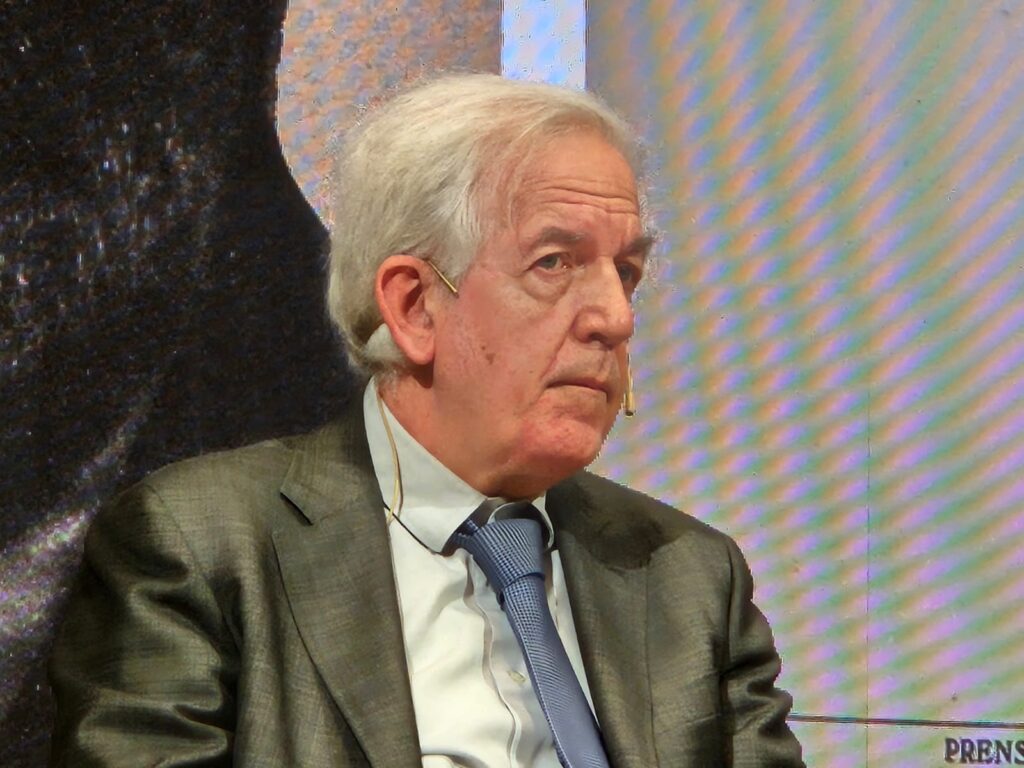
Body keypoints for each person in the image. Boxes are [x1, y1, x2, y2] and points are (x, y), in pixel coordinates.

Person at [49, 74, 804, 767]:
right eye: (554, 262)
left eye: (626, 272)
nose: (615, 316)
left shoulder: (689, 575)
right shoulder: (201, 546)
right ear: (414, 307)